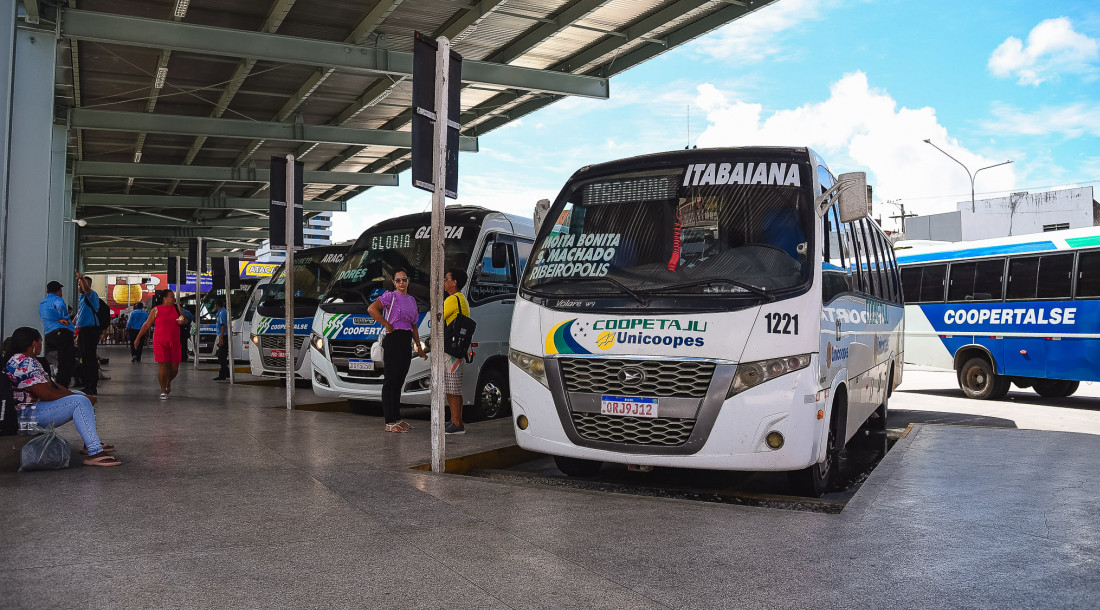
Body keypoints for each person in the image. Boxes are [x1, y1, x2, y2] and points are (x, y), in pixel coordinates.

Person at [4, 327, 121, 466]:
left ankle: (90, 441)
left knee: (81, 396)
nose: (42, 345)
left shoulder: (21, 359)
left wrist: (77, 395)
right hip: (26, 415)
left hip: (30, 409)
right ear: (34, 344)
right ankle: (95, 451)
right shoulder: (24, 363)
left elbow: (52, 386)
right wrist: (80, 399)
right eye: (40, 342)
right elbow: (47, 394)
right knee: (80, 402)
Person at [368, 270, 426, 433]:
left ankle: (397, 418)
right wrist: (387, 324)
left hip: (406, 339)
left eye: (404, 280)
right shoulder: (390, 296)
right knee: (391, 380)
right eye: (398, 280)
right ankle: (389, 421)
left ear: (408, 281)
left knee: (399, 379)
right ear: (394, 282)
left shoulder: (412, 300)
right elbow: (372, 309)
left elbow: (414, 325)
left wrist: (418, 346)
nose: (401, 283)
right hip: (393, 339)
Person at [133, 289, 186, 399]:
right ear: (164, 298)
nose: (174, 299)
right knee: (163, 366)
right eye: (171, 296)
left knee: (174, 368)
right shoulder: (156, 310)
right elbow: (147, 325)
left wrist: (182, 320)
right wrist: (138, 338)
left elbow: (184, 319)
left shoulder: (177, 308)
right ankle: (163, 390)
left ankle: (168, 381)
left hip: (175, 341)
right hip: (160, 341)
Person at [443, 268, 470, 435]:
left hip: (451, 351)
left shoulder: (452, 299)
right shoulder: (462, 298)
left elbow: (438, 317)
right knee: (455, 387)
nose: (444, 282)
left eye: (447, 279)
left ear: (454, 282)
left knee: (452, 388)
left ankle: (457, 423)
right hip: (459, 349)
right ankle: (455, 420)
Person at [39, 280, 76, 387]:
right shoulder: (57, 299)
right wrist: (64, 317)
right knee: (66, 361)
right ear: (59, 290)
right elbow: (60, 305)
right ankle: (62, 386)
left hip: (49, 334)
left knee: (57, 360)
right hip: (62, 333)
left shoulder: (43, 302)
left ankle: (57, 383)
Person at [74, 271, 101, 396]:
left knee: (90, 359)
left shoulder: (91, 295)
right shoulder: (82, 298)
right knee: (85, 358)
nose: (79, 287)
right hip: (84, 331)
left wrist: (82, 279)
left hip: (90, 331)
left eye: (79, 285)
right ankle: (87, 384)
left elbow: (87, 289)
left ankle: (92, 386)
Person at [213, 298, 230, 381]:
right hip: (223, 336)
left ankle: (223, 374)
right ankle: (226, 373)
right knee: (222, 356)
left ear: (216, 306)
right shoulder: (222, 312)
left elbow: (223, 326)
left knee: (221, 357)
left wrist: (221, 338)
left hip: (224, 336)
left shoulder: (222, 313)